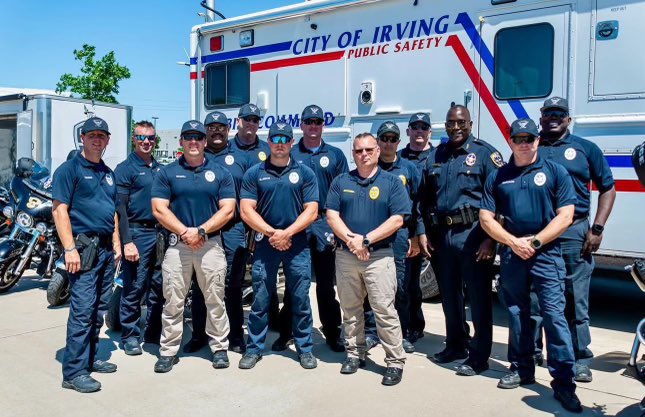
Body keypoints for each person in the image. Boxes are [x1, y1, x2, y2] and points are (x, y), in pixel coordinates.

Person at [479, 118, 583, 413]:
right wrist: (513, 243)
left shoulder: (555, 172)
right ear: (510, 141)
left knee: (554, 317)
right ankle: (521, 368)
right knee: (516, 313)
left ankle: (564, 383)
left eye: (530, 138)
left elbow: (565, 216)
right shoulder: (498, 176)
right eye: (518, 138)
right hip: (513, 254)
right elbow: (486, 218)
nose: (524, 143)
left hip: (546, 253)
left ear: (538, 140)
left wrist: (534, 242)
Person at [532, 97, 616, 382]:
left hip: (574, 233)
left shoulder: (585, 148)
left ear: (568, 119)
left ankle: (579, 357)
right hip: (538, 235)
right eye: (548, 113)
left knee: (575, 300)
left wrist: (598, 228)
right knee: (535, 298)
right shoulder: (530, 147)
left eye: (559, 113)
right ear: (541, 118)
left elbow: (608, 188)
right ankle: (532, 353)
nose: (553, 117)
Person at [418, 105, 501, 376]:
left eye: (461, 123)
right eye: (451, 123)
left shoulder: (485, 154)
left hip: (474, 235)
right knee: (449, 296)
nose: (456, 128)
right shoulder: (436, 156)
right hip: (442, 236)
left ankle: (479, 356)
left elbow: (501, 200)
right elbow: (424, 199)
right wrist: (424, 233)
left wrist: (491, 240)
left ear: (471, 124)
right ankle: (455, 344)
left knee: (478, 297)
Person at [151, 120, 236, 373]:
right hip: (178, 246)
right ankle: (168, 351)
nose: (194, 141)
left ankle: (220, 348)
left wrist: (200, 231)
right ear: (181, 142)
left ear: (205, 141)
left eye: (198, 137)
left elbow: (228, 209)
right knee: (173, 300)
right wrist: (185, 232)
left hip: (210, 245)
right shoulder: (167, 173)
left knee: (215, 299)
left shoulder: (221, 173)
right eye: (188, 137)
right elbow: (159, 208)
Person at [326, 132, 410, 386]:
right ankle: (354, 353)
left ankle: (394, 361)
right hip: (346, 255)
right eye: (359, 151)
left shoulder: (392, 182)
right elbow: (332, 215)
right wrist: (353, 240)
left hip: (379, 256)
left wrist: (366, 240)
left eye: (368, 150)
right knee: (350, 310)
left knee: (384, 310)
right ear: (353, 153)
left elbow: (398, 219)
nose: (364, 155)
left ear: (377, 151)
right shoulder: (341, 181)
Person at [239, 121, 319, 370]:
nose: (281, 144)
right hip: (266, 243)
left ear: (292, 143)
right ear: (269, 141)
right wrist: (272, 233)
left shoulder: (306, 173)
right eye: (276, 139)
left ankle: (305, 348)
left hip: (297, 245)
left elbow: (312, 210)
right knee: (261, 298)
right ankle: (253, 348)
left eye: (285, 139)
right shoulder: (255, 173)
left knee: (300, 298)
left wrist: (288, 233)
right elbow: (245, 210)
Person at [53, 117, 121, 393]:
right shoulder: (69, 170)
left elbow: (112, 211)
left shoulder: (108, 172)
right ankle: (74, 372)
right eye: (91, 135)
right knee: (82, 310)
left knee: (98, 309)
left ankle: (90, 359)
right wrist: (69, 249)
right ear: (82, 138)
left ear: (107, 140)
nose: (97, 140)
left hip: (105, 250)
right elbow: (60, 210)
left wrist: (116, 243)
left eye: (101, 136)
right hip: (83, 249)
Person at [273, 104, 347, 353]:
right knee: (296, 283)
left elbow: (342, 194)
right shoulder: (292, 156)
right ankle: (287, 331)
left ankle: (332, 333)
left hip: (325, 224)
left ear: (322, 125)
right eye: (308, 122)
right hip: (300, 226)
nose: (313, 126)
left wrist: (339, 230)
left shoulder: (336, 155)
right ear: (301, 125)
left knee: (326, 285)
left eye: (317, 121)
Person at [184, 111, 249, 354]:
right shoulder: (196, 156)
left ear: (229, 129)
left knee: (232, 286)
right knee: (200, 285)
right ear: (205, 132)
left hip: (233, 229)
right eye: (211, 127)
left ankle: (235, 336)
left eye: (221, 126)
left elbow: (251, 195)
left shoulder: (241, 158)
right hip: (203, 232)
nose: (217, 131)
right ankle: (199, 335)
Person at [114, 121, 163, 355]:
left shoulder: (160, 168)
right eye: (141, 137)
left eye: (151, 138)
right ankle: (130, 335)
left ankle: (153, 332)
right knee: (134, 287)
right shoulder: (125, 169)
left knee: (158, 285)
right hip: (137, 233)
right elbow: (120, 209)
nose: (146, 142)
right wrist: (127, 241)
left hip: (161, 233)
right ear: (134, 139)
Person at [375, 121, 423, 353]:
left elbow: (418, 205)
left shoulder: (408, 169)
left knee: (401, 288)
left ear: (398, 142)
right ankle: (374, 332)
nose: (388, 143)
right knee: (373, 287)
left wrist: (415, 236)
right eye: (384, 138)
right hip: (374, 236)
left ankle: (402, 333)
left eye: (393, 139)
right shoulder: (371, 168)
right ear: (378, 141)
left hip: (401, 236)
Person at [397, 112, 433, 345]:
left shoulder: (438, 155)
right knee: (406, 284)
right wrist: (415, 234)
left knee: (449, 287)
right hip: (409, 228)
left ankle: (417, 325)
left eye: (424, 128)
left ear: (429, 131)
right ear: (408, 131)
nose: (419, 132)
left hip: (435, 226)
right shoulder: (398, 159)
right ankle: (407, 327)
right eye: (415, 127)